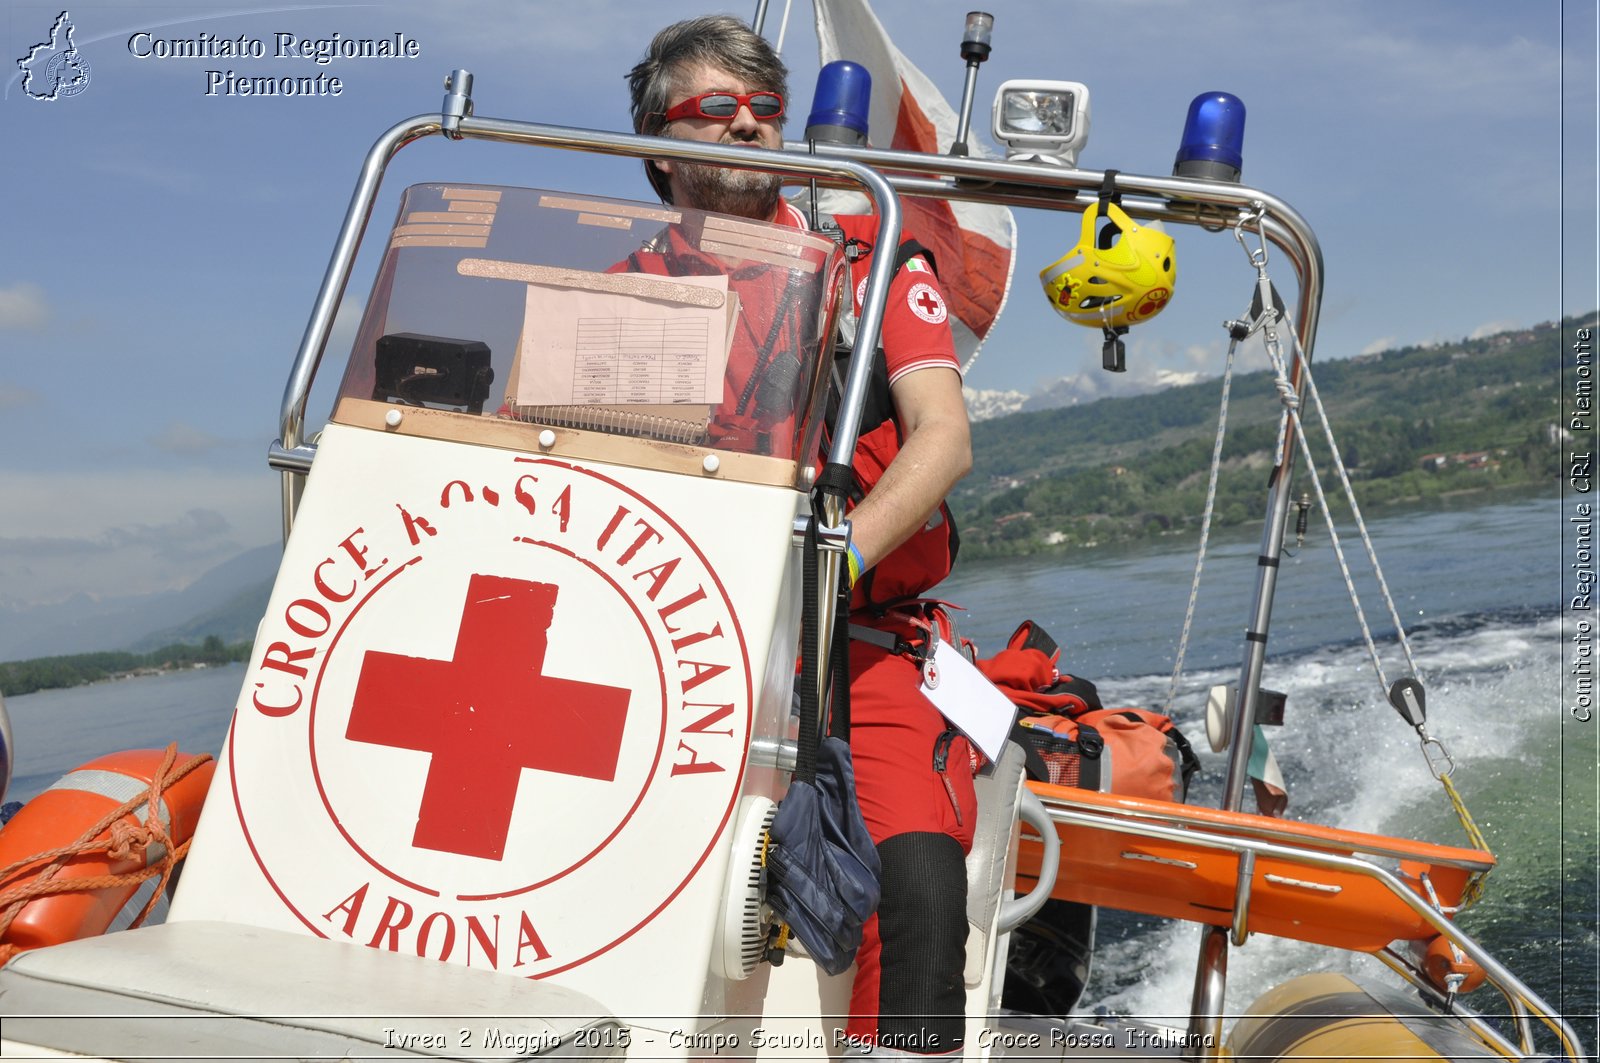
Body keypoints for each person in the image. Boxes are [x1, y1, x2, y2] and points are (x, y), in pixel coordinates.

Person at [628, 17, 976, 1057]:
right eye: (714, 109)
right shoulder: (620, 291)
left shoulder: (866, 257)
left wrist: (832, 567)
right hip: (680, 627)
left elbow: (943, 438)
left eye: (764, 109)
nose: (748, 125)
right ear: (657, 146)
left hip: (850, 635)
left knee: (915, 881)